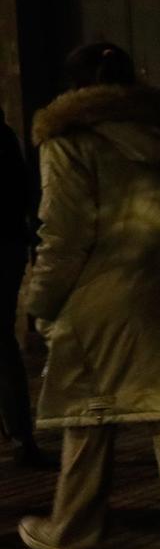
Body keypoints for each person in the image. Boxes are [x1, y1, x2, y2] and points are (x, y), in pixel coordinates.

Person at [16, 42, 160, 549]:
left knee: (87, 410)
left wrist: (41, 302)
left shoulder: (68, 140)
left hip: (102, 297)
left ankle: (73, 531)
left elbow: (63, 232)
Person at [0, 104, 50, 468]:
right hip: (7, 248)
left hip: (6, 246)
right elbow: (23, 195)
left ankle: (19, 435)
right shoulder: (3, 135)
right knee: (3, 345)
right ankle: (21, 437)